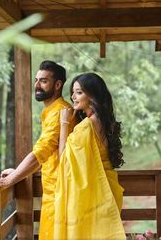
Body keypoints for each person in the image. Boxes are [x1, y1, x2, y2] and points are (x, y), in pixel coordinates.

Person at [0, 60, 77, 239]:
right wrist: (18, 172)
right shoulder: (52, 111)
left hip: (62, 193)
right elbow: (47, 155)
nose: (37, 85)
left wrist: (7, 181)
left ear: (57, 85)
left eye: (43, 81)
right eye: (36, 80)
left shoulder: (60, 112)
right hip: (54, 191)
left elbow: (39, 154)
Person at [54, 73, 126, 239]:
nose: (73, 96)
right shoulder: (103, 121)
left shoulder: (86, 127)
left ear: (92, 95)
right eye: (73, 92)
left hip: (96, 195)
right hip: (107, 190)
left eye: (79, 92)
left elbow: (64, 158)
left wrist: (64, 124)